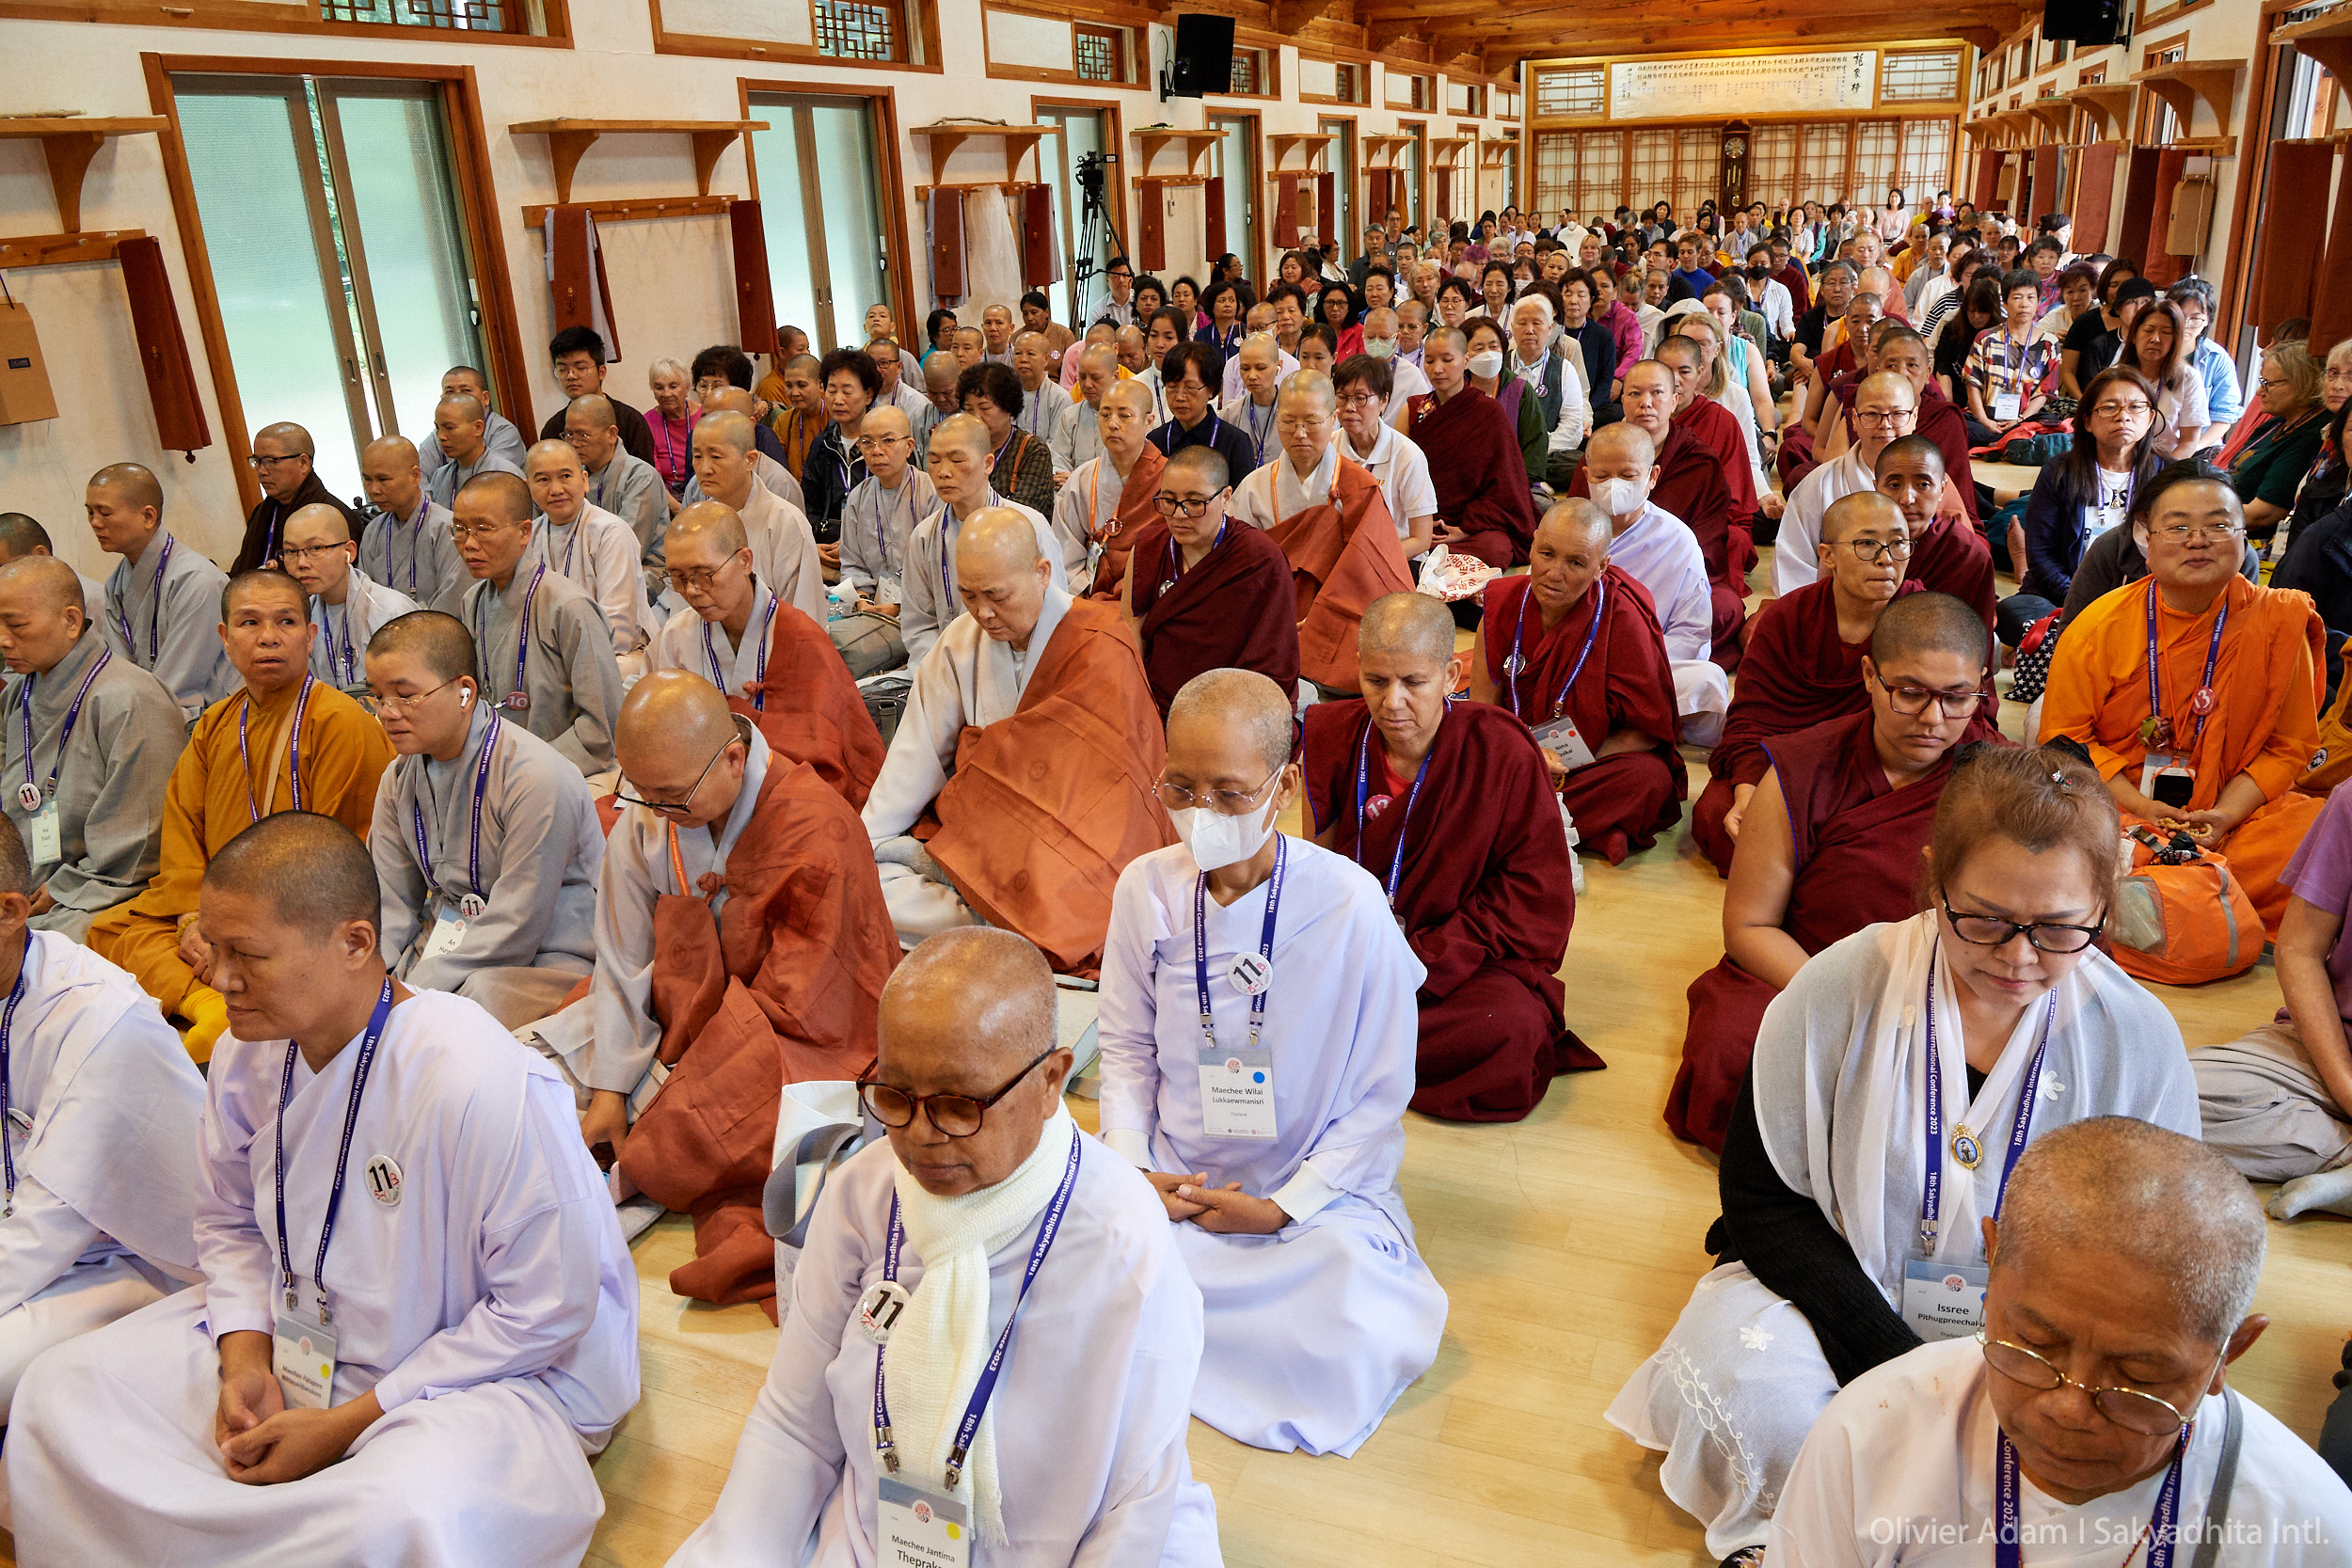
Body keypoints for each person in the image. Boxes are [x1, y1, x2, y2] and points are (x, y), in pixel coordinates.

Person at [1611, 749, 2203, 1563]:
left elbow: (2156, 1250)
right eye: (1984, 919)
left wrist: (2027, 1366)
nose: (2018, 956)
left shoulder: (2136, 1038)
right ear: (1934, 881)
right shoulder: (1842, 984)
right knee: (1752, 1386)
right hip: (1841, 1292)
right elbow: (1761, 1201)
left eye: (2059, 928)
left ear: (2105, 901)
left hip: (2041, 1337)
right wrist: (1893, 1360)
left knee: (2090, 1465)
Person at [8, 813, 639, 1567]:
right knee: (59, 1395)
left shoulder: (475, 1074)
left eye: (248, 955)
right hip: (292, 1330)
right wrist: (245, 1357)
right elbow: (228, 1223)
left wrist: (346, 1423)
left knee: (395, 1516)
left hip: (460, 1378)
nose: (219, 979)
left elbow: (546, 1308)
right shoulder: (245, 1053)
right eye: (214, 947)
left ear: (356, 943)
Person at [669, 927, 1221, 1567]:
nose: (921, 1136)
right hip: (878, 1534)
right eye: (895, 1097)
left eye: (959, 1105)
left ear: (1050, 1081)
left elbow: (1133, 1508)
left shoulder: (1126, 1240)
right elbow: (794, 1424)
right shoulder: (863, 1192)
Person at [1097, 666, 1446, 1455]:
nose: (1201, 815)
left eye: (1229, 794)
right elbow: (1124, 1049)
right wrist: (1136, 1170)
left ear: (1285, 785)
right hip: (1177, 1177)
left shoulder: (1349, 902)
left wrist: (1285, 1205)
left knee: (1355, 1316)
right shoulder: (1145, 888)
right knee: (1072, 1262)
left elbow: (1379, 1094)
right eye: (1181, 789)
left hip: (1308, 1194)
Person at [1770, 1117, 2352, 1567]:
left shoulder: (2307, 1528)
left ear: (2229, 1354)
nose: (2071, 1409)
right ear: (1992, 1264)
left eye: (2138, 1376)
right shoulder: (1869, 1434)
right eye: (2035, 1344)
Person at [519, 673, 891, 1314]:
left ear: (734, 760)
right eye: (641, 793)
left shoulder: (818, 827)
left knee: (704, 1131)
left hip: (783, 1032)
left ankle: (618, 1190)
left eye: (671, 796)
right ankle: (628, 1148)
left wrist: (686, 1077)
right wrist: (611, 1086)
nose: (655, 810)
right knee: (533, 1071)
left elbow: (815, 1003)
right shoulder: (649, 818)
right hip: (676, 1007)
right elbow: (622, 957)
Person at [1668, 593, 1993, 1152]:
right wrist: (1844, 1000)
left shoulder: (1997, 783)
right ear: (1869, 676)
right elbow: (1749, 927)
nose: (1933, 718)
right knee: (1729, 1055)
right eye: (1909, 693)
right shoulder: (1802, 767)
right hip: (1807, 971)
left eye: (1957, 697)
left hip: (1943, 987)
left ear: (1982, 685)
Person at [1303, 594, 1594, 1121]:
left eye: (1413, 682)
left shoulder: (1500, 749)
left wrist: (1425, 959)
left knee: (1509, 1028)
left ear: (1450, 675)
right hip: (1359, 955)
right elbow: (1315, 879)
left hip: (1456, 962)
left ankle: (1344, 1050)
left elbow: (1529, 895)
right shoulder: (1331, 736)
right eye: (1375, 680)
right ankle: (1350, 1038)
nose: (1392, 702)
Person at [85, 569, 392, 1060]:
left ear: (310, 636)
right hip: (214, 908)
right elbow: (183, 827)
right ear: (225, 638)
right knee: (114, 929)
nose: (268, 637)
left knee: (286, 951)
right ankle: (208, 1002)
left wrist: (234, 931)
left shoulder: (341, 723)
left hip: (296, 912)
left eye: (286, 621)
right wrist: (193, 919)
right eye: (250, 623)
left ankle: (220, 988)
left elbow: (346, 856)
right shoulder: (217, 723)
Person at [863, 509, 1168, 974]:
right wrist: (867, 841)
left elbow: (1117, 788)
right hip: (981, 839)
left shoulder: (1102, 641)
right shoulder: (961, 642)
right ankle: (994, 923)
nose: (983, 612)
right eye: (969, 595)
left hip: (1071, 845)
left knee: (1089, 917)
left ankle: (999, 925)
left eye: (997, 595)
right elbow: (917, 750)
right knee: (867, 884)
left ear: (1042, 573)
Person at [2042, 469, 2325, 936]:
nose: (2198, 540)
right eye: (2178, 526)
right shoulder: (2100, 626)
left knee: (2318, 833)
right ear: (2146, 539)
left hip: (2236, 812)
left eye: (2218, 525)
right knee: (2066, 832)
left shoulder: (2276, 620)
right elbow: (2064, 743)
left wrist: (2225, 814)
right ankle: (2202, 899)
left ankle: (2162, 900)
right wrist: (2140, 806)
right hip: (2119, 805)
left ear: (2244, 537)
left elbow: (2287, 747)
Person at [0, 808, 204, 1427]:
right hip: (30, 1238)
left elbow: (47, 1225)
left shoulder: (97, 1017)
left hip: (140, 1260)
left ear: (10, 912)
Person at [1692, 494, 1994, 876]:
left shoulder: (1930, 624)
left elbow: (1959, 715)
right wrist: (1748, 792)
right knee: (1718, 814)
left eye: (1899, 543)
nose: (1886, 559)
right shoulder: (1787, 619)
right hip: (1798, 770)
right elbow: (1751, 722)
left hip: (1891, 771)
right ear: (1828, 555)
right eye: (1867, 543)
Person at [362, 611, 602, 1030]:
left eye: (405, 695)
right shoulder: (398, 778)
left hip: (545, 953)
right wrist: (370, 979)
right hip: (445, 939)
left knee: (456, 1015)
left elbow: (518, 923)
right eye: (378, 697)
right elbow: (390, 901)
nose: (388, 712)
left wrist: (416, 994)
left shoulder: (537, 777)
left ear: (464, 692)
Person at [1469, 501, 1683, 863]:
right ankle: (1573, 828)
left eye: (1576, 563)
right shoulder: (1501, 604)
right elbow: (1481, 715)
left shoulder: (1623, 616)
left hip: (1584, 763)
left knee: (1648, 780)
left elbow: (1645, 733)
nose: (1555, 573)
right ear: (1532, 545)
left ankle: (1514, 824)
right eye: (1546, 554)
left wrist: (1565, 763)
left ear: (1602, 567)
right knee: (1459, 762)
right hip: (1513, 757)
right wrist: (1524, 759)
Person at [648, 501, 884, 805]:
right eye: (678, 578)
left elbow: (831, 749)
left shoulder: (801, 638)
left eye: (704, 575)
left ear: (745, 561)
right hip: (701, 789)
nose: (691, 590)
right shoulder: (675, 637)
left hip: (787, 788)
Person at [0, 555, 185, 940]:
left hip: (102, 891)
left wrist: (64, 887)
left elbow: (143, 842)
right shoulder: (19, 694)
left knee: (38, 949)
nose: (3, 640)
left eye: (16, 625)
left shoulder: (129, 699)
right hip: (23, 883)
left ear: (71, 621)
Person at [2197, 777, 2352, 1221]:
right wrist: (2346, 1088)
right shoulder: (2350, 801)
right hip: (2328, 1045)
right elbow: (2300, 950)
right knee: (2152, 1098)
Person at [1227, 373, 1411, 697]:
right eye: (1288, 422)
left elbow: (1372, 571)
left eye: (1311, 422)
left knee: (1368, 667)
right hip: (1271, 609)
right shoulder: (1254, 486)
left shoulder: (1359, 486)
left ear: (1333, 419)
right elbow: (1236, 563)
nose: (1300, 433)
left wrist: (1321, 616)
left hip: (1335, 616)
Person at [449, 471, 626, 776]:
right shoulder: (472, 602)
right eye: (460, 530)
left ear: (524, 531)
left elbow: (602, 729)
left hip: (567, 771)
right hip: (497, 764)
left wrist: (525, 769)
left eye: (483, 529)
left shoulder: (569, 607)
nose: (469, 543)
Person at [1574, 358, 1745, 669]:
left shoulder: (1699, 460)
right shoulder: (1598, 454)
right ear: (1622, 399)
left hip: (1671, 576)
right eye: (1635, 393)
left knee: (1723, 609)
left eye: (1657, 393)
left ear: (1675, 400)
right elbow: (1573, 526)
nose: (1646, 403)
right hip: (1594, 582)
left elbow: (1708, 540)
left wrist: (1668, 565)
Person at [1119, 446, 1299, 717]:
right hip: (1157, 704)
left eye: (1194, 502)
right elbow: (1131, 642)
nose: (1179, 514)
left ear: (1226, 497)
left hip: (1232, 711)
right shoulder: (1148, 548)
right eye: (1168, 500)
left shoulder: (1260, 559)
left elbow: (1272, 663)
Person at [1580, 421, 1729, 740]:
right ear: (1586, 476)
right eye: (1602, 476)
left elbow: (1691, 633)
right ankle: (1639, 729)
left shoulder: (1677, 540)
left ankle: (1620, 719)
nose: (1614, 486)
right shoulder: (1569, 529)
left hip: (1643, 667)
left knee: (1708, 680)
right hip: (1574, 661)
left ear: (1652, 477)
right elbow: (1535, 600)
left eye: (1627, 475)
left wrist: (1627, 663)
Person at [2001, 367, 2167, 643]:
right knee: (2014, 614)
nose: (2123, 416)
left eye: (2136, 407)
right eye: (2109, 407)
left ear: (2150, 418)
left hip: (2140, 600)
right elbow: (2041, 556)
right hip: (2063, 595)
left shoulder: (2167, 477)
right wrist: (2081, 600)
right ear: (2087, 421)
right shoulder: (2060, 471)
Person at [898, 414, 1063, 669]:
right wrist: (947, 671)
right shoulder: (924, 535)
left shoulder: (1029, 525)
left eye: (957, 460)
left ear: (988, 463)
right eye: (934, 461)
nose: (943, 472)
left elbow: (1055, 613)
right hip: (946, 666)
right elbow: (918, 624)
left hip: (1022, 666)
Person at [90, 461, 232, 721]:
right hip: (145, 709)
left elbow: (180, 683)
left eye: (105, 513)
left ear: (148, 516)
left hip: (205, 717)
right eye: (90, 512)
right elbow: (119, 667)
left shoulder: (197, 580)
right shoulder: (116, 582)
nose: (95, 523)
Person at [1778, 371, 1931, 595]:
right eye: (1872, 414)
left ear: (1914, 417)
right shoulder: (1819, 484)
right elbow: (1793, 564)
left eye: (1897, 414)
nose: (1885, 425)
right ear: (1855, 420)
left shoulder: (1931, 484)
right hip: (1835, 608)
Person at [1409, 325, 1541, 568]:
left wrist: (1465, 529)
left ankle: (1427, 557)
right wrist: (1421, 524)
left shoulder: (1489, 412)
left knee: (1495, 550)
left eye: (1447, 360)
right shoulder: (1413, 409)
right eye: (1429, 361)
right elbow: (1400, 477)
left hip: (1472, 523)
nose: (1437, 369)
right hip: (1423, 518)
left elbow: (1506, 484)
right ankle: (1427, 552)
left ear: (1466, 361)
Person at [523, 438, 655, 679]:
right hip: (552, 656)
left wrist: (566, 665)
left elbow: (618, 626)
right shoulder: (529, 536)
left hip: (618, 654)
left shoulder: (610, 531)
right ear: (528, 487)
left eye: (565, 476)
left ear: (584, 481)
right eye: (542, 480)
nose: (556, 489)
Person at [689, 409, 827, 626]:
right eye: (698, 456)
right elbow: (684, 610)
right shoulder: (694, 523)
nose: (705, 469)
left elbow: (804, 614)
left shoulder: (786, 522)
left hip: (776, 640)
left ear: (750, 460)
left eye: (716, 457)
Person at [831, 403, 939, 678]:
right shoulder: (858, 497)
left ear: (909, 446)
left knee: (845, 654)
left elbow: (938, 571)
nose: (876, 451)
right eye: (867, 442)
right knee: (820, 628)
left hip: (919, 613)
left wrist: (899, 606)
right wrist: (860, 598)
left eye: (888, 441)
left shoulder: (932, 495)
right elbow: (852, 562)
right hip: (869, 607)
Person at [280, 503, 419, 692]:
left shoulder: (392, 612)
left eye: (315, 548)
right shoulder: (301, 617)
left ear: (349, 552)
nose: (301, 563)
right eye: (291, 551)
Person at [1868, 435, 1996, 632]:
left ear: (1942, 489)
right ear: (1876, 488)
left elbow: (1974, 635)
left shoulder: (1968, 554)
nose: (1907, 499)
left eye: (1923, 485)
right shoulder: (1856, 542)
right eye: (1894, 485)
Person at [1054, 379, 1164, 598]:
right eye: (1105, 415)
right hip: (1089, 595)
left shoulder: (1168, 479)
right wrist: (1084, 598)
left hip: (1147, 596)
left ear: (1149, 421)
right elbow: (1064, 552)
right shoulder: (1082, 479)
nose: (1113, 424)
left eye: (1124, 416)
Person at [1330, 354, 1438, 561]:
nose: (1349, 407)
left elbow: (1421, 539)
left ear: (1383, 401)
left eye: (1360, 398)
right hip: (1343, 557)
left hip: (1398, 558)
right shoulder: (1328, 448)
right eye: (1342, 397)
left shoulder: (1408, 456)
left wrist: (1372, 561)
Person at [233, 420, 365, 575]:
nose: (261, 471)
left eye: (271, 461)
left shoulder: (334, 515)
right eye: (257, 461)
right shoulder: (262, 513)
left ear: (303, 463)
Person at [357, 436, 464, 612]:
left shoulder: (446, 528)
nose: (374, 490)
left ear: (415, 476)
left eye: (383, 479)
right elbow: (366, 597)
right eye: (368, 479)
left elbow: (454, 602)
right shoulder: (373, 531)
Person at [2233, 341, 2328, 535]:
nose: (2259, 392)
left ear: (2302, 383)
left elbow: (2262, 514)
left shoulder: (2312, 435)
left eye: (2268, 384)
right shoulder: (2274, 424)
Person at [800, 347, 879, 563]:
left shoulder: (884, 444)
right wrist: (815, 545)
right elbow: (809, 505)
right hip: (828, 547)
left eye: (847, 391)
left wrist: (853, 543)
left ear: (868, 395)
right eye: (832, 390)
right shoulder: (822, 445)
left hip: (874, 548)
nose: (838, 399)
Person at [957, 361, 1058, 519]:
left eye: (985, 408)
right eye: (969, 409)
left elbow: (1023, 512)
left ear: (1008, 407)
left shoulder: (1032, 450)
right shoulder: (962, 447)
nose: (976, 417)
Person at [1966, 269, 2059, 438]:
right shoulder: (1986, 338)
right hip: (1986, 419)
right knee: (1959, 424)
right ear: (2005, 303)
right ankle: (2007, 442)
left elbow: (2045, 392)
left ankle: (2002, 441)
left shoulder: (2049, 343)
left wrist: (2020, 420)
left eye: (2030, 297)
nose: (2024, 304)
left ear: (2038, 301)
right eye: (2017, 297)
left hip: (2024, 420)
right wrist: (1985, 421)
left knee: (2050, 421)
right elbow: (1972, 383)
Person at [416, 364, 528, 489]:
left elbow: (493, 480)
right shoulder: (440, 473)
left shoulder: (503, 431)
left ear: (485, 398)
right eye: (450, 392)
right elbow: (418, 474)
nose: (457, 397)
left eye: (466, 391)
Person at [422, 393, 528, 509]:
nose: (441, 436)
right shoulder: (440, 477)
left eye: (450, 428)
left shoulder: (507, 475)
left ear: (478, 428)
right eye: (438, 428)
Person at [1010, 329, 1077, 473]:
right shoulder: (1005, 394)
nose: (1023, 359)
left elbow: (1057, 447)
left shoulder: (1060, 398)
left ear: (1046, 359)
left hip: (1045, 469)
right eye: (1018, 353)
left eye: (1030, 354)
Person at [644, 356, 698, 500]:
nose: (666, 394)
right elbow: (653, 478)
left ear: (687, 387)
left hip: (703, 491)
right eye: (659, 388)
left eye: (673, 386)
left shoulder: (704, 416)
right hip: (664, 496)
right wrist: (677, 508)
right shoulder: (647, 423)